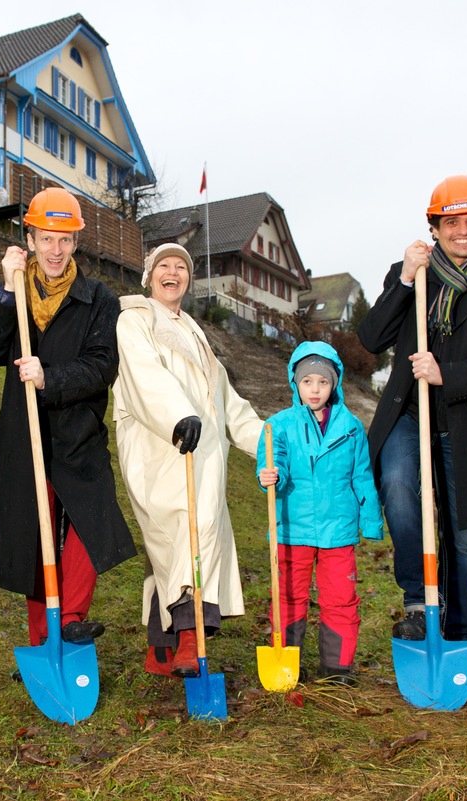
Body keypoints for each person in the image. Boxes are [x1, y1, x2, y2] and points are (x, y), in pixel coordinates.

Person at [357, 175, 467, 686]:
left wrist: (447, 373)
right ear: (434, 226)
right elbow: (371, 337)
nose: (462, 232)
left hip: (465, 420)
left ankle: (457, 642)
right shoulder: (411, 273)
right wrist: (407, 280)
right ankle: (416, 603)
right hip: (409, 413)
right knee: (399, 491)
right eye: (451, 222)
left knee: (460, 536)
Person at [0, 187, 134, 648]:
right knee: (34, 534)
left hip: (77, 431)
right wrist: (4, 292)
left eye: (64, 239)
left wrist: (50, 377)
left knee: (86, 522)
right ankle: (43, 639)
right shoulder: (13, 290)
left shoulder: (98, 298)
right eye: (46, 239)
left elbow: (103, 365)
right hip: (25, 434)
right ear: (31, 238)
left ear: (76, 242)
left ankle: (73, 617)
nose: (55, 250)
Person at [113, 243, 264, 677]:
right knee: (182, 536)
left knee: (181, 544)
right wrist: (178, 417)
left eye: (181, 267)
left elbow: (226, 402)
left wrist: (269, 441)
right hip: (161, 447)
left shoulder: (195, 332)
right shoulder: (134, 319)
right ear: (149, 275)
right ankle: (189, 639)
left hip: (204, 458)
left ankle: (161, 651)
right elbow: (144, 376)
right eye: (164, 265)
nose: (173, 272)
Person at [256, 343, 384, 686]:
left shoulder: (352, 427)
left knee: (340, 599)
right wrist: (271, 474)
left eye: (322, 382)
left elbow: (362, 475)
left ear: (335, 384)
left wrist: (370, 521)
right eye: (307, 381)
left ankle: (337, 667)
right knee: (289, 596)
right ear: (295, 383)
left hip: (337, 530)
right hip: (291, 527)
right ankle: (289, 663)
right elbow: (273, 461)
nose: (315, 389)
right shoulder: (278, 426)